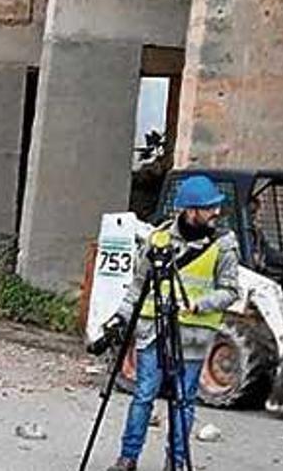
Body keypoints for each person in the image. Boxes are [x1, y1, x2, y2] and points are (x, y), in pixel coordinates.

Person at [105, 175, 241, 471]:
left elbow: (231, 290)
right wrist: (120, 317)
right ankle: (128, 458)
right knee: (143, 395)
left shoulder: (224, 244)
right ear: (190, 211)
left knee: (183, 399)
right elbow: (138, 286)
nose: (216, 212)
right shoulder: (159, 239)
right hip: (152, 330)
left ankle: (176, 463)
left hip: (192, 334)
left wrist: (198, 304)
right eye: (209, 208)